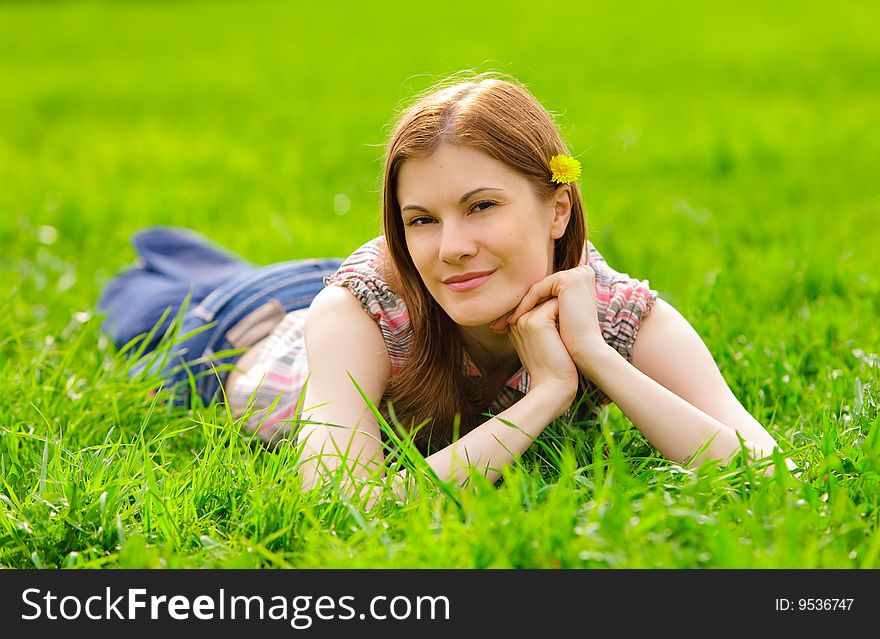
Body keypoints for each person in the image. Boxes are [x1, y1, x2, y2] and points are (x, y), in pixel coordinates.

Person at [99, 72, 796, 506]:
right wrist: (546, 397)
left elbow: (770, 472)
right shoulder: (356, 311)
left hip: (360, 290)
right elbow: (341, 502)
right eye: (422, 219)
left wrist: (593, 355)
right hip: (242, 330)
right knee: (129, 295)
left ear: (557, 209)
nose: (453, 243)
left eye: (482, 206)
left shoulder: (609, 310)